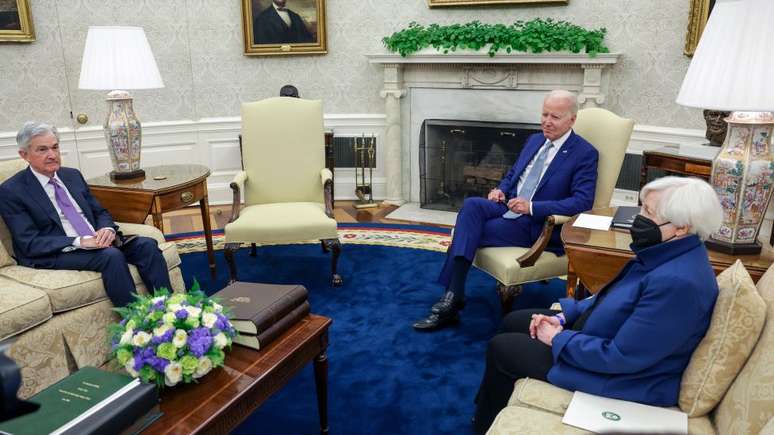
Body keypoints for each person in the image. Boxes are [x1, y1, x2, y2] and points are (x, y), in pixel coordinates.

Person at [471, 176, 722, 433]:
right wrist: (562, 318)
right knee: (515, 320)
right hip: (604, 337)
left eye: (648, 211)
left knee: (503, 349)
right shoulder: (667, 254)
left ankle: (483, 425)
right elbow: (610, 298)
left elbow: (622, 357)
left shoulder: (679, 284)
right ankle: (490, 405)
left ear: (681, 227)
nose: (637, 218)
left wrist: (557, 338)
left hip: (626, 378)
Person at [413, 90, 599, 331]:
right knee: (471, 206)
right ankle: (454, 295)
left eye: (555, 116)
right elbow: (514, 174)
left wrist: (532, 207)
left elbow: (582, 202)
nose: (546, 121)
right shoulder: (534, 140)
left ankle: (451, 298)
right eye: (544, 114)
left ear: (572, 120)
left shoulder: (584, 153)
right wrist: (500, 189)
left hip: (537, 223)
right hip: (508, 205)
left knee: (467, 232)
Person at [0, 122, 172, 307]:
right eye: (42, 150)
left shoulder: (72, 175)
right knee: (111, 256)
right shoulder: (12, 191)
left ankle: (170, 311)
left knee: (146, 245)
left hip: (97, 241)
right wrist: (80, 241)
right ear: (24, 155)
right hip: (59, 250)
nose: (52, 155)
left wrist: (106, 229)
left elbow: (99, 211)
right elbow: (29, 242)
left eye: (55, 147)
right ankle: (136, 322)